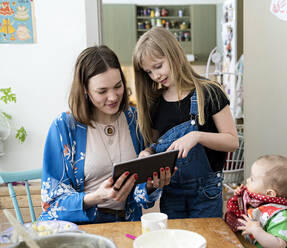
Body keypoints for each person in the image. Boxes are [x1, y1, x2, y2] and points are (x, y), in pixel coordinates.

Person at [39, 45, 172, 224]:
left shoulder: (134, 119)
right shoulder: (64, 126)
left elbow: (141, 198)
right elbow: (51, 203)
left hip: (125, 224)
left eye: (118, 86)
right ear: (85, 89)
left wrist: (149, 185)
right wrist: (95, 197)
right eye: (102, 91)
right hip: (79, 228)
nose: (113, 97)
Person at [132, 27, 239, 219]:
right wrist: (146, 154)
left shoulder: (209, 92)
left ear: (174, 54)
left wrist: (196, 136)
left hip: (206, 192)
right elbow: (155, 147)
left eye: (158, 66)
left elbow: (232, 141)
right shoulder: (155, 103)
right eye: (149, 72)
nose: (155, 76)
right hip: (171, 193)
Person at [225, 155, 287, 248]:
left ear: (269, 193)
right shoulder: (259, 199)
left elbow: (279, 245)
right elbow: (243, 208)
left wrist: (257, 231)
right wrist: (240, 196)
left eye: (252, 179)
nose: (247, 180)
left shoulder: (283, 216)